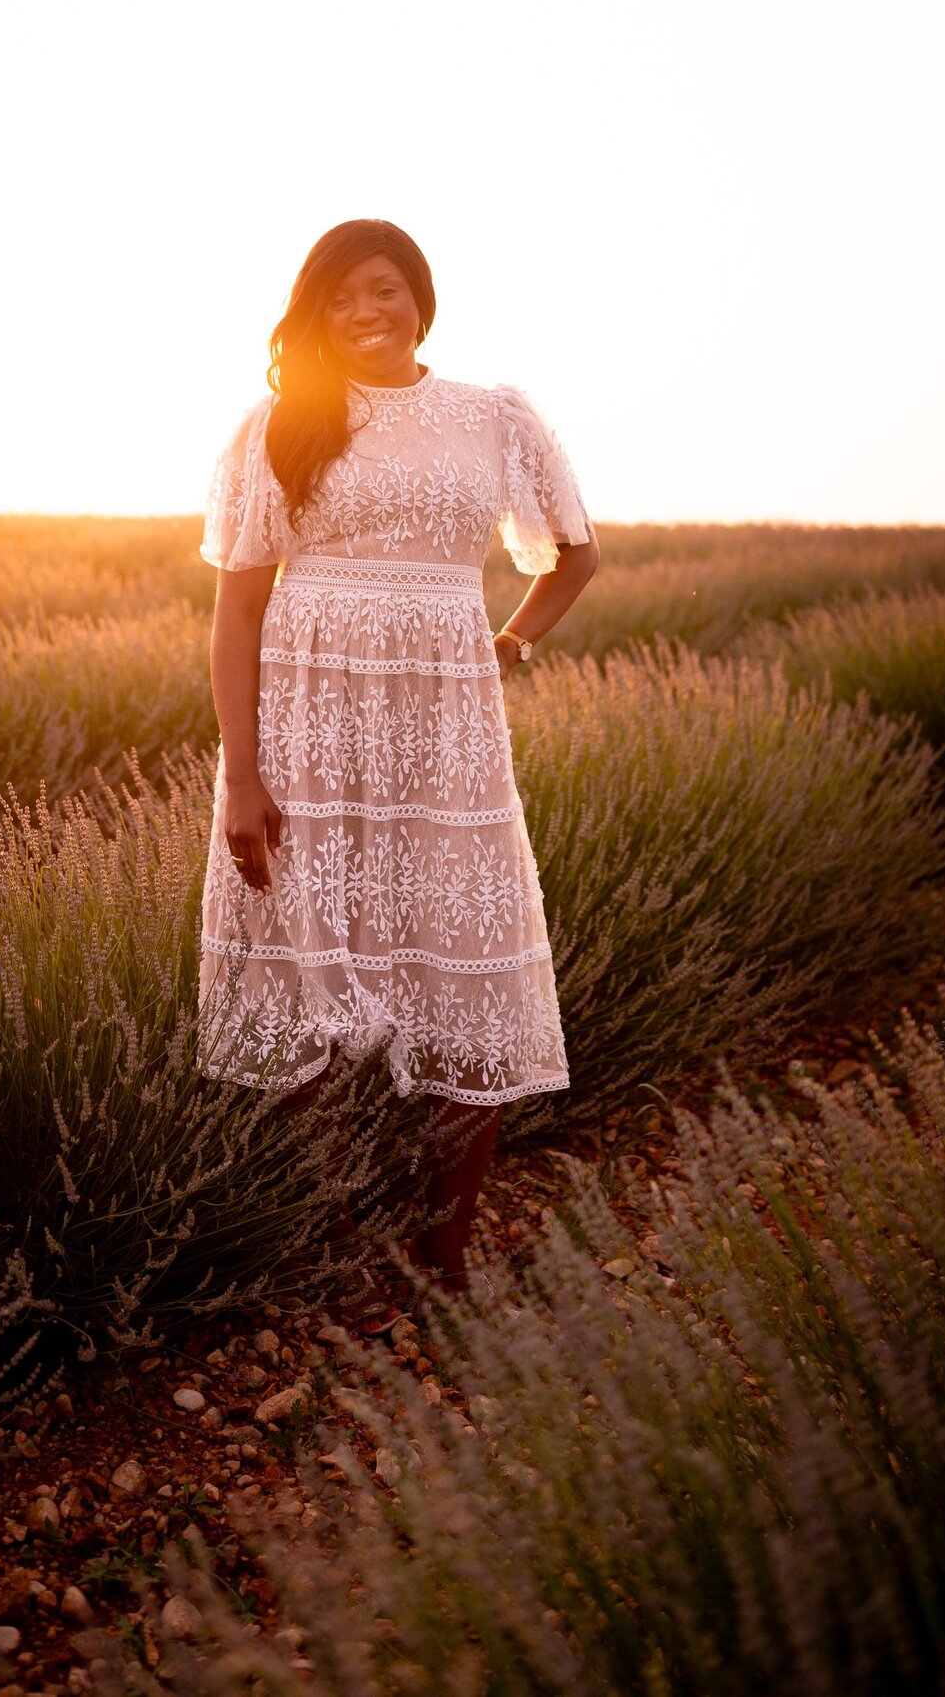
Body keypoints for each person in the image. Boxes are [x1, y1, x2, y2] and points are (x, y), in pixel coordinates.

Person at [197, 218, 599, 1335]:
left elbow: (576, 553)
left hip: (446, 737)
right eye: (341, 299)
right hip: (307, 724)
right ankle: (334, 1255)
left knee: (462, 972)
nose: (367, 311)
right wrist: (242, 772)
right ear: (315, 315)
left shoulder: (493, 415)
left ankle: (441, 1269)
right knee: (304, 977)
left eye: (385, 289)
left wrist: (507, 644)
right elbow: (236, 609)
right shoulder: (281, 425)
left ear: (420, 295)